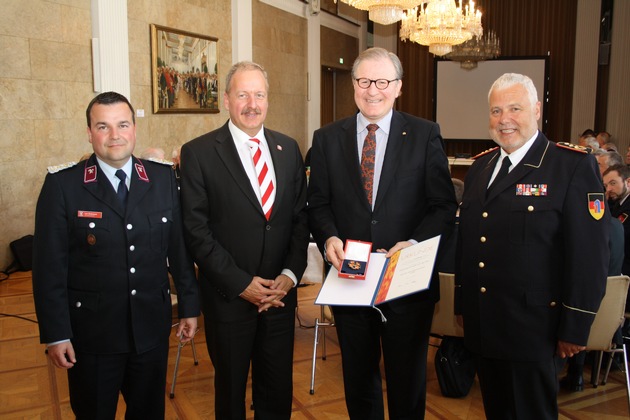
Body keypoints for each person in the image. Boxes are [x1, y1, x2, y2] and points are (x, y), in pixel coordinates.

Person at [307, 47, 457, 419]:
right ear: (354, 85)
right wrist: (328, 238)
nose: (373, 90)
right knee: (358, 381)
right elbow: (318, 203)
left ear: (398, 87)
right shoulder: (327, 138)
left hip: (405, 281)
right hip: (349, 278)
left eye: (382, 81)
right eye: (364, 81)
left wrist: (414, 242)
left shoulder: (424, 134)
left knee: (407, 383)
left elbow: (443, 206)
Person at [32, 91, 200, 419]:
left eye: (122, 125)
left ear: (134, 129)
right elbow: (49, 269)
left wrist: (190, 307)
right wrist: (56, 334)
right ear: (89, 132)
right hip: (92, 337)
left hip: (150, 332)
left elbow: (179, 250)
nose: (114, 135)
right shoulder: (63, 186)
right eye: (103, 126)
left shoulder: (163, 178)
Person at [455, 73, 609, 419]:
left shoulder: (570, 166)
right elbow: (469, 243)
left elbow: (590, 255)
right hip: (485, 325)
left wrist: (575, 325)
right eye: (496, 111)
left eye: (514, 108)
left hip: (535, 331)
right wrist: (464, 304)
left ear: (537, 110)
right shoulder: (480, 168)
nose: (504, 119)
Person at [180, 61, 309, 419]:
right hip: (229, 299)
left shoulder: (288, 148)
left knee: (278, 389)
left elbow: (301, 219)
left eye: (259, 94)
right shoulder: (199, 153)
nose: (252, 104)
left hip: (280, 298)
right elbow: (196, 230)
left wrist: (290, 275)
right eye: (242, 95)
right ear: (226, 100)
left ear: (268, 100)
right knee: (231, 393)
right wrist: (241, 284)